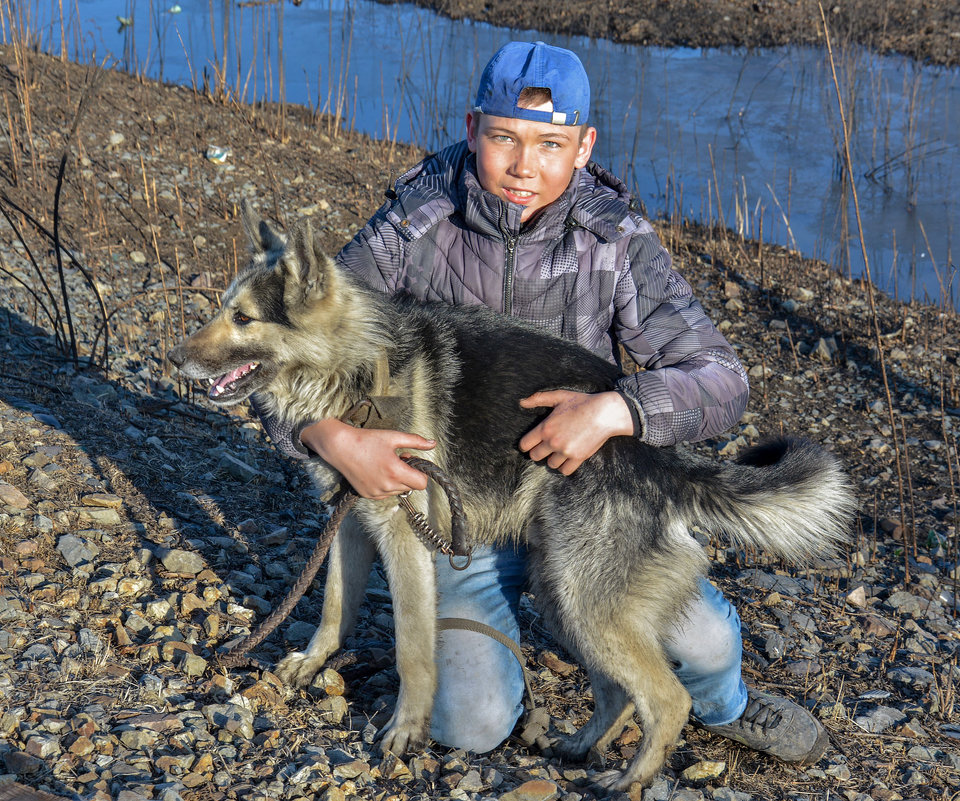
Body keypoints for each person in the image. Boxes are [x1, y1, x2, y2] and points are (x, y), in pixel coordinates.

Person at [260, 41, 828, 763]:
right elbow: (289, 350)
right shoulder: (413, 224)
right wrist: (331, 437)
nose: (525, 165)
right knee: (468, 720)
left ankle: (727, 705)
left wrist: (614, 410)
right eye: (504, 138)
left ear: (585, 146)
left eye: (551, 144)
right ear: (472, 130)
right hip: (463, 512)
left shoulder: (615, 239)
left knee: (708, 646)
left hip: (592, 493)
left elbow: (721, 379)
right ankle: (529, 670)